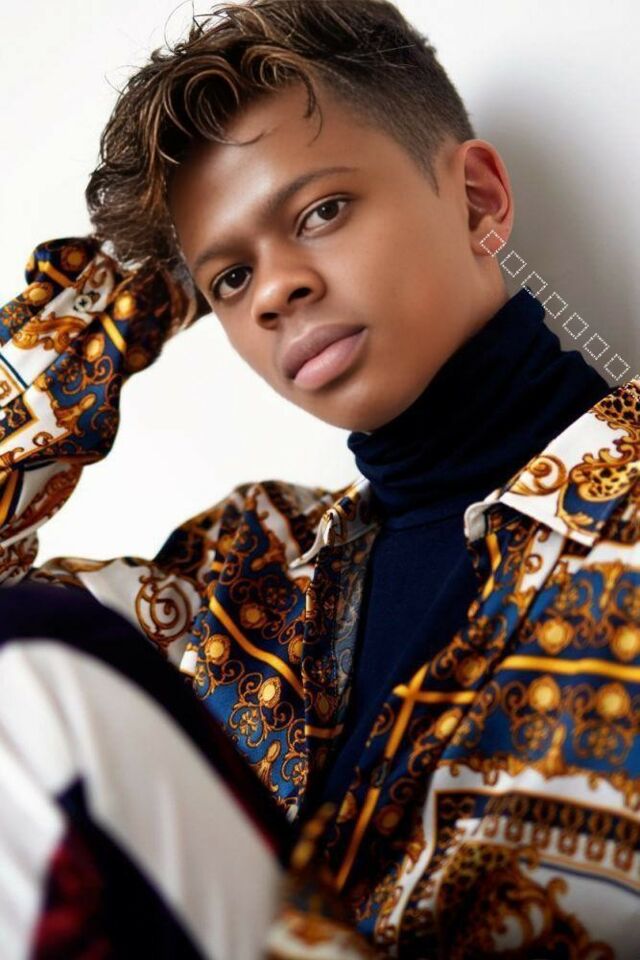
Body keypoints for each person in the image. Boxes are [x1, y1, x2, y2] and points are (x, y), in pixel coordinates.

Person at [1, 0, 639, 956]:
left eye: (321, 212)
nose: (273, 291)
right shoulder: (243, 568)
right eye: (228, 278)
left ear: (477, 201)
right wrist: (124, 292)